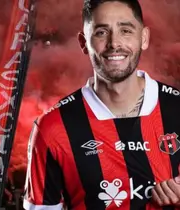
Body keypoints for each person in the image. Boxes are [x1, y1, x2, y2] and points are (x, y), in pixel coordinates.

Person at [23, 0, 180, 209]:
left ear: (144, 38)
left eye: (126, 30)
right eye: (101, 32)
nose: (114, 43)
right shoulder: (52, 128)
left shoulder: (176, 109)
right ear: (83, 42)